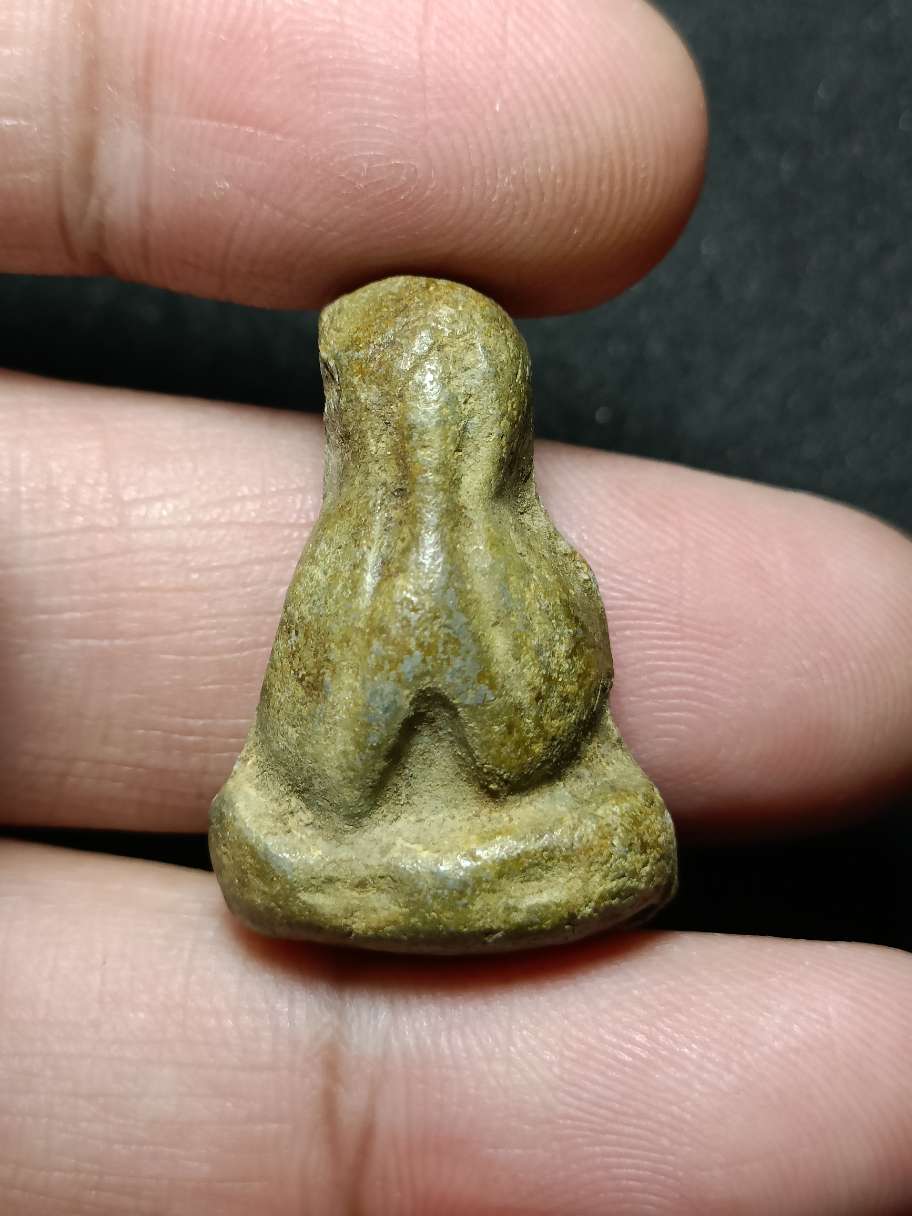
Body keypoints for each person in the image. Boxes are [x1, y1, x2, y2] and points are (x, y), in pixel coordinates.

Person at [1, 2, 910, 1212]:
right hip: (469, 850)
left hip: (406, 850)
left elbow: (421, 764)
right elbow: (378, 767)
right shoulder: (441, 567)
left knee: (318, 837)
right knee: (505, 832)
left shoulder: (435, 568)